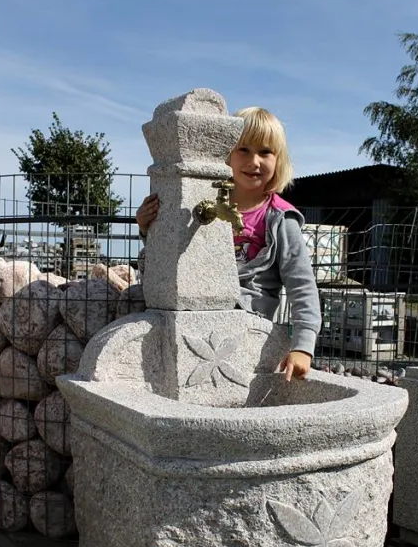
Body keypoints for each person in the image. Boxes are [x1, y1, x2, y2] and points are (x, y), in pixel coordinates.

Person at [136, 106, 321, 381]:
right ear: (226, 154)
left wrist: (303, 347)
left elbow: (302, 286)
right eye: (243, 150)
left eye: (265, 152)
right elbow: (179, 253)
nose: (254, 161)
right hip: (198, 312)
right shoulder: (207, 203)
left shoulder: (281, 221)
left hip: (248, 322)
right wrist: (146, 228)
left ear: (278, 159)